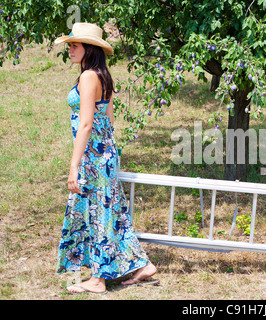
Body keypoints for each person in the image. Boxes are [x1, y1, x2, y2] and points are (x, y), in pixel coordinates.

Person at [55, 22, 157, 294]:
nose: (71, 50)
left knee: (98, 213)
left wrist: (74, 166)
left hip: (94, 157)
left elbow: (86, 124)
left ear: (90, 48)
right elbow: (108, 121)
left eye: (75, 45)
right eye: (70, 45)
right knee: (110, 212)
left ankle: (99, 280)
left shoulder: (89, 77)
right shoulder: (103, 75)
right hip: (105, 154)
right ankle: (141, 265)